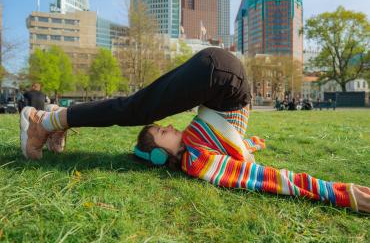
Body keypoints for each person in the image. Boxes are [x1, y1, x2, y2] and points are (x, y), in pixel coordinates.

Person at [19, 48, 370, 213]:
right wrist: (343, 193)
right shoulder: (199, 161)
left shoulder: (196, 149)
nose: (170, 126)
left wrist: (252, 143)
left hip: (220, 76)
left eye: (161, 127)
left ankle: (49, 121)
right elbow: (269, 179)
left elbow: (240, 150)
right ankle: (49, 120)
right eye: (162, 131)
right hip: (221, 76)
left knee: (135, 107)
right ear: (160, 154)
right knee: (134, 108)